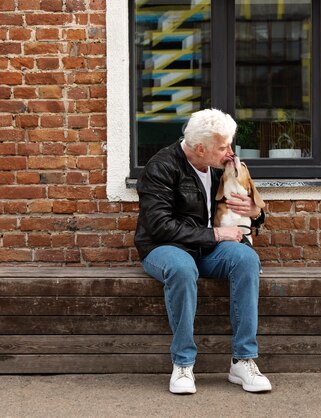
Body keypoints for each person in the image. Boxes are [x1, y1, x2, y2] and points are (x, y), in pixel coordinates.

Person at [134, 108, 272, 395]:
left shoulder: (221, 166)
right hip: (164, 248)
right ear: (199, 148)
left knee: (247, 259)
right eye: (222, 147)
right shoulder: (161, 166)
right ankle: (183, 364)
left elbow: (248, 202)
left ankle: (243, 360)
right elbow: (159, 226)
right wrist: (216, 234)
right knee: (183, 269)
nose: (229, 152)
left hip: (209, 249)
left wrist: (256, 212)